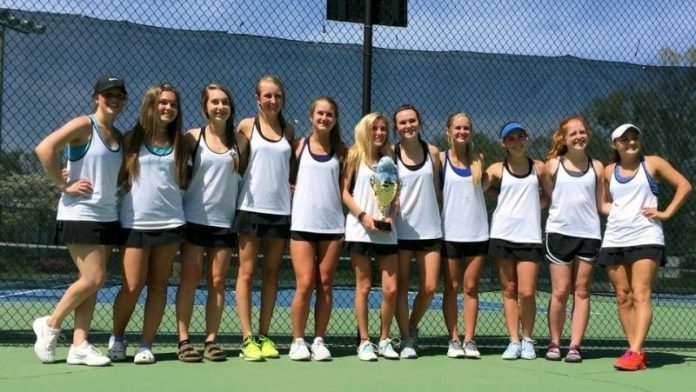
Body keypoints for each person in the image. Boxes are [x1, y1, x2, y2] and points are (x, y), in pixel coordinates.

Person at [32, 75, 127, 366]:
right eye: (107, 94)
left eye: (119, 95)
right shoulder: (84, 125)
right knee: (94, 278)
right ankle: (50, 324)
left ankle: (79, 345)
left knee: (91, 282)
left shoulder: (118, 136)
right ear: (96, 97)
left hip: (108, 215)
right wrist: (63, 185)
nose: (113, 99)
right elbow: (44, 148)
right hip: (80, 213)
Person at [107, 83, 189, 364]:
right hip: (135, 224)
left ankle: (146, 344)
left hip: (171, 223)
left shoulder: (183, 142)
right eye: (163, 103)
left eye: (173, 104)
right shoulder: (131, 139)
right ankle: (117, 337)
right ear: (151, 106)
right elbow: (105, 164)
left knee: (158, 285)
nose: (168, 108)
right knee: (132, 285)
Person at [599, 124, 691, 371]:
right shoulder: (608, 171)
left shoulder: (653, 163)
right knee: (622, 296)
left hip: (646, 236)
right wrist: (619, 212)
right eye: (625, 139)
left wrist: (666, 212)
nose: (631, 142)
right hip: (615, 238)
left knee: (641, 293)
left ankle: (636, 351)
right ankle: (634, 351)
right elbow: (605, 203)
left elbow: (685, 185)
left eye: (635, 137)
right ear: (615, 145)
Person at [174, 84, 241, 362]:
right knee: (189, 279)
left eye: (224, 102)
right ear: (205, 107)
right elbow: (168, 161)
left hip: (224, 223)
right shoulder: (192, 137)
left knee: (217, 281)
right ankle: (183, 340)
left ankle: (211, 340)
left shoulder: (239, 141)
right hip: (193, 220)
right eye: (214, 102)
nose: (220, 107)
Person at [234, 75, 295, 361]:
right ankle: (247, 338)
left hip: (280, 212)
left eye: (277, 96)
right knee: (246, 273)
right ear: (257, 99)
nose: (272, 101)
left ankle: (264, 335)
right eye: (267, 96)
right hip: (249, 209)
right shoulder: (246, 126)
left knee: (272, 275)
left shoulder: (289, 130)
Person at [288, 96, 347, 361]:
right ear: (311, 116)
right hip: (302, 224)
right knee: (305, 283)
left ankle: (319, 340)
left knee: (325, 283)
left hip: (333, 227)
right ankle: (298, 340)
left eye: (329, 115)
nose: (324, 118)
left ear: (335, 119)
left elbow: (346, 189)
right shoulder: (298, 147)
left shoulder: (343, 151)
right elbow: (288, 182)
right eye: (320, 114)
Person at [541, 116, 604, 363]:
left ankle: (575, 346)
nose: (579, 136)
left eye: (582, 132)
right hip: (559, 233)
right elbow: (549, 197)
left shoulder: (597, 167)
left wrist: (635, 209)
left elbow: (601, 204)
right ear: (563, 139)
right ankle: (555, 343)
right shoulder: (552, 165)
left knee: (582, 291)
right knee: (560, 291)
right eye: (573, 133)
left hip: (589, 234)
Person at [341, 112, 400, 361]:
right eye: (374, 128)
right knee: (363, 287)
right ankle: (365, 342)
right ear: (365, 130)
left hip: (386, 233)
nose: (379, 133)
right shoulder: (355, 155)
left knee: (391, 289)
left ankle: (385, 339)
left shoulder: (390, 159)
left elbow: (395, 196)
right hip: (360, 231)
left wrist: (391, 218)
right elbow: (344, 192)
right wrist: (364, 216)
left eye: (383, 129)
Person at [486, 121, 546, 360]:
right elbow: (480, 187)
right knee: (509, 290)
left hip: (529, 236)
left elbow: (550, 195)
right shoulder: (496, 169)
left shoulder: (540, 168)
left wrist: (534, 207)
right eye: (511, 138)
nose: (517, 141)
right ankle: (513, 340)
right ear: (503, 143)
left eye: (520, 136)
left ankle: (528, 339)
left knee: (527, 292)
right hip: (502, 234)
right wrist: (500, 197)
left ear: (527, 139)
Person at [391, 104, 442, 359]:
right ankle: (406, 338)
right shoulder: (390, 154)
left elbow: (437, 190)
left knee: (430, 286)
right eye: (402, 122)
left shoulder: (433, 153)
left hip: (430, 231)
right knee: (400, 287)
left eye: (412, 120)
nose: (408, 125)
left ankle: (411, 325)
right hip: (399, 232)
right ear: (396, 128)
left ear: (419, 122)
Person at [440, 112, 489, 359]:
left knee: (471, 287)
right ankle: (453, 339)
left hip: (478, 234)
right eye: (457, 128)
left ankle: (469, 340)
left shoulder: (479, 160)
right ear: (448, 131)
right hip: (449, 234)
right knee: (452, 287)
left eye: (466, 128)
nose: (462, 132)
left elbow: (490, 187)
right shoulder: (440, 160)